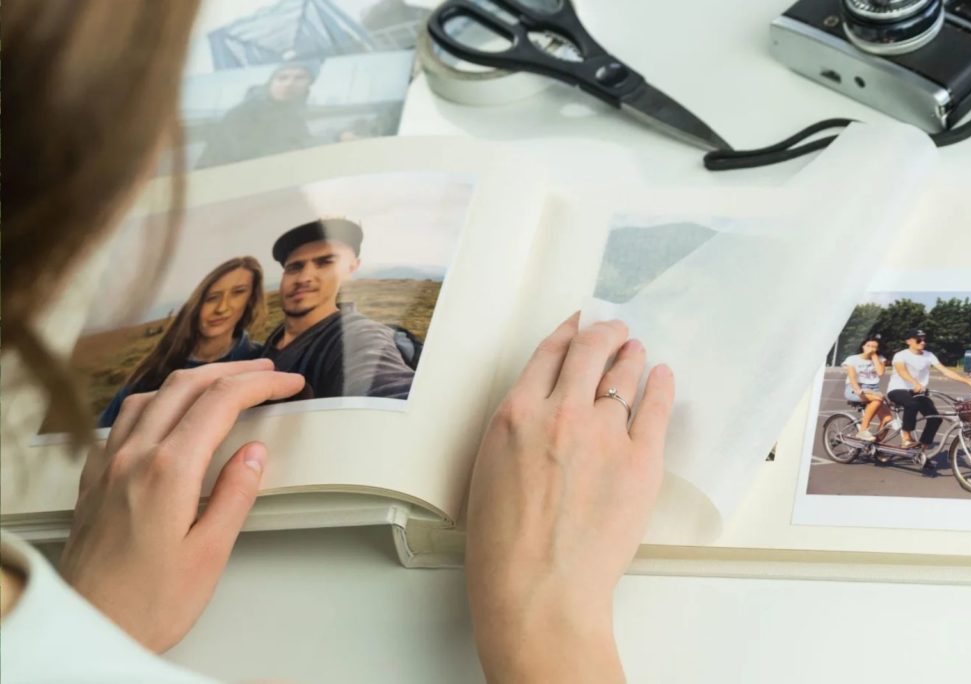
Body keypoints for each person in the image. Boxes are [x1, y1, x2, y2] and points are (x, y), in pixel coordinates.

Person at [2, 3, 675, 680]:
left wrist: (93, 616)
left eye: (321, 263)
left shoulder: (352, 336)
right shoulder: (250, 353)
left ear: (349, 271)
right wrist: (548, 622)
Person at [97, 257, 267, 427]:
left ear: (250, 299)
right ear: (197, 304)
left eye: (238, 292)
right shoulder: (154, 370)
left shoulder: (261, 360)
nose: (222, 308)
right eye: (212, 297)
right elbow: (100, 434)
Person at [261, 218, 416, 400]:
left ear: (351, 268)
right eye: (295, 267)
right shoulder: (274, 338)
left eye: (325, 262)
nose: (304, 278)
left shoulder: (358, 336)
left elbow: (389, 391)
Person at [194, 60, 325, 169]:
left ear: (309, 85)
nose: (289, 83)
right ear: (270, 83)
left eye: (299, 78)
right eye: (282, 78)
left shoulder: (291, 113)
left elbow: (300, 140)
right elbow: (245, 157)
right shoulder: (244, 113)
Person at [886, 328, 971, 455]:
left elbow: (945, 371)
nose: (922, 342)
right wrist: (915, 383)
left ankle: (922, 450)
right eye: (919, 339)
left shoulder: (929, 355)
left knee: (935, 418)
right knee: (912, 404)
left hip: (918, 392)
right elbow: (902, 371)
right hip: (898, 389)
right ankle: (906, 437)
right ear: (909, 341)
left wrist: (967, 381)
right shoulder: (901, 355)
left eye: (924, 339)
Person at [840, 335, 892, 441]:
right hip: (855, 388)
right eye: (868, 345)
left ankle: (874, 444)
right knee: (877, 399)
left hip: (874, 389)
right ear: (863, 346)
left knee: (887, 419)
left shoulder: (879, 358)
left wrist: (874, 356)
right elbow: (853, 379)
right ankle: (863, 430)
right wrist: (861, 391)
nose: (871, 348)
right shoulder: (852, 359)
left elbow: (881, 373)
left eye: (874, 347)